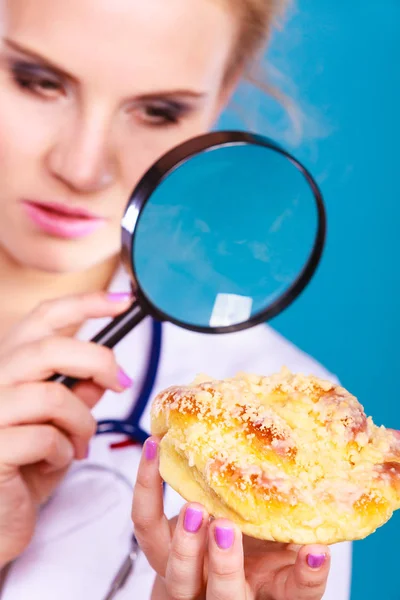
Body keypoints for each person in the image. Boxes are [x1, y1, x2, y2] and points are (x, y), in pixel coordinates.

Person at [0, 0, 352, 598]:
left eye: (159, 111)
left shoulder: (283, 445)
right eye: (37, 81)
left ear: (220, 100)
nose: (83, 168)